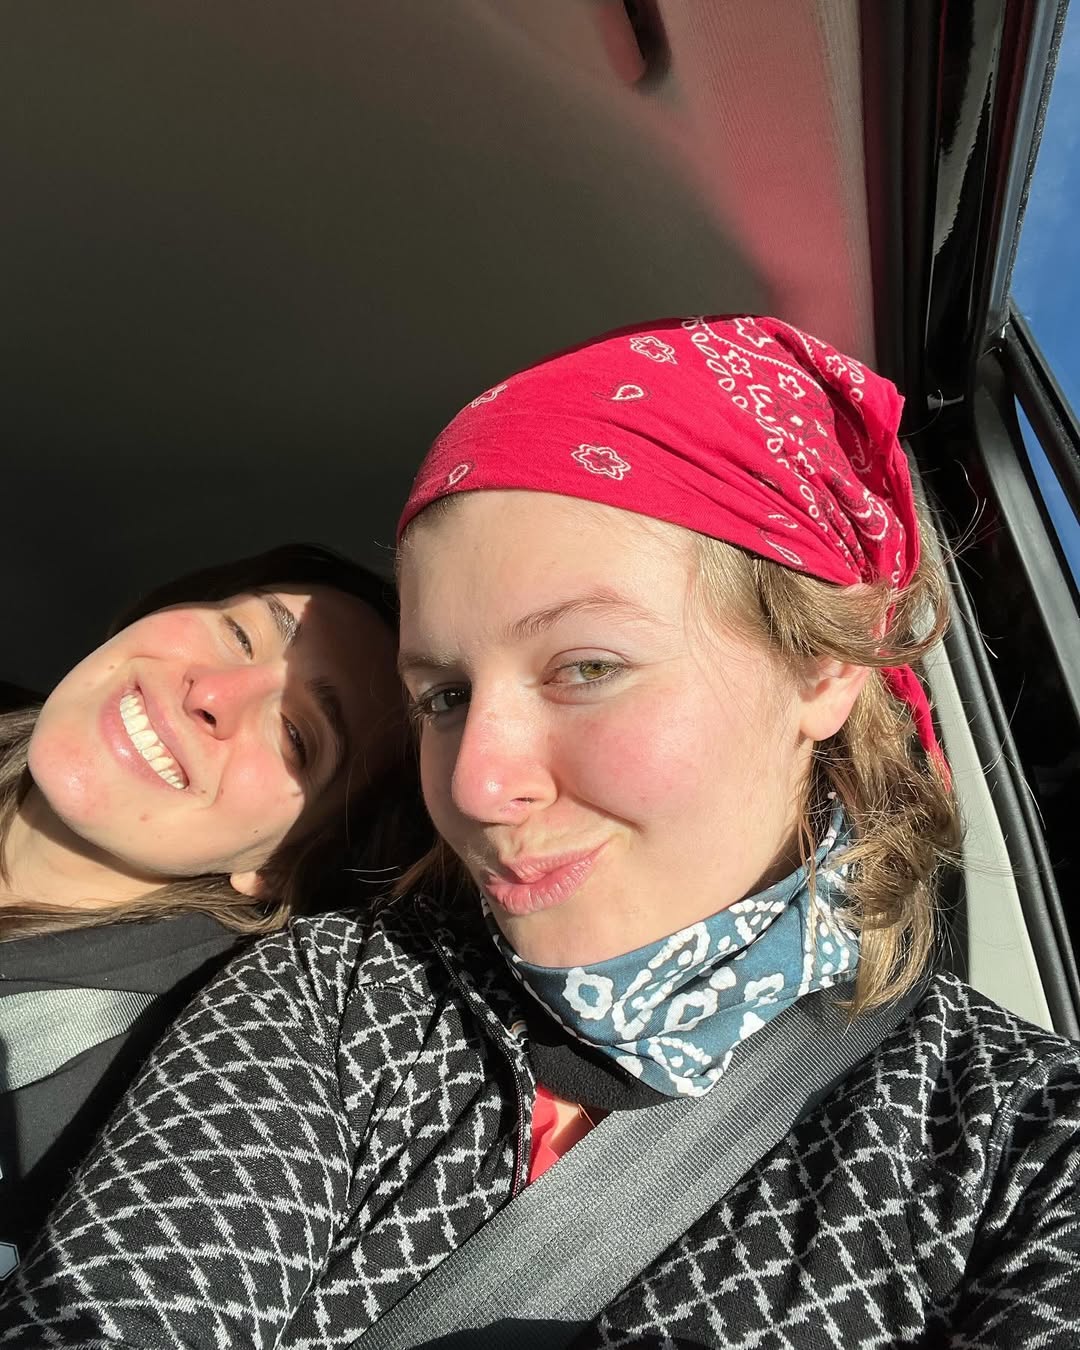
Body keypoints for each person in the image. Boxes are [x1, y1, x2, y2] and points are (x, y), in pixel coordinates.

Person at [2, 318, 1078, 1345]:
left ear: (822, 663)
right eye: (444, 697)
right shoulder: (351, 992)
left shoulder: (1018, 1146)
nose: (477, 785)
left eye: (587, 667)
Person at [0, 542, 415, 1275]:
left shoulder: (153, 1103)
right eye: (241, 633)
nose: (215, 693)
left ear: (279, 865)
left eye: (295, 735)